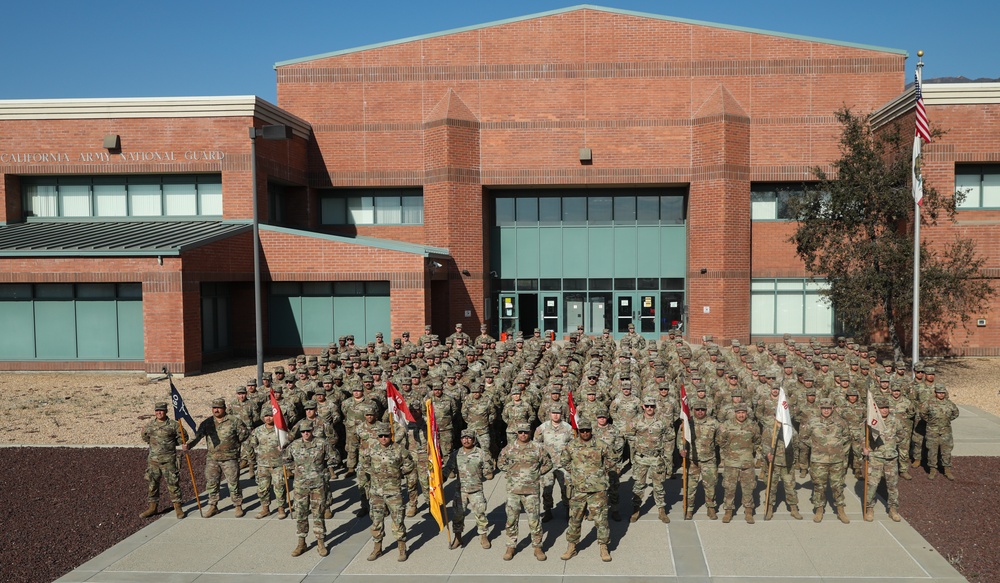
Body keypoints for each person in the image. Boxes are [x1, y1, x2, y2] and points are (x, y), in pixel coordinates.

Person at [182, 398, 250, 518]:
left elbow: (244, 433)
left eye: (218, 408)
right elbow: (198, 436)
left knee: (233, 483)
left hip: (230, 458)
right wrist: (189, 445)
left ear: (224, 408)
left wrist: (233, 444)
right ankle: (213, 505)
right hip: (213, 458)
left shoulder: (234, 421)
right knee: (212, 483)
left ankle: (238, 505)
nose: (216, 410)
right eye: (214, 408)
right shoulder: (208, 423)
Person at [359, 422, 417, 562]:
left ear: (390, 436)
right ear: (377, 437)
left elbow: (409, 466)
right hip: (376, 493)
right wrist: (371, 479)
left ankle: (402, 548)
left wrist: (398, 474)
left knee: (398, 521)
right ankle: (377, 549)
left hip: (394, 492)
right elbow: (364, 465)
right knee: (376, 521)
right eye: (381, 436)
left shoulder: (399, 449)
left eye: (386, 435)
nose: (383, 438)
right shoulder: (371, 449)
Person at [560, 420, 616, 562]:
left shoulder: (601, 445)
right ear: (579, 431)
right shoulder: (571, 445)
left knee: (601, 520)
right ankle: (571, 546)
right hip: (578, 489)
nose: (585, 433)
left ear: (591, 430)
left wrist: (600, 472)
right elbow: (564, 461)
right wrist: (576, 473)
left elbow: (612, 459)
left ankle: (603, 547)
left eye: (587, 430)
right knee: (575, 519)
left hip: (597, 489)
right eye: (582, 430)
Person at [497, 422, 553, 561]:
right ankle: (511, 546)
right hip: (513, 490)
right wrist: (511, 473)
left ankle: (537, 546)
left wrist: (536, 474)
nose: (523, 434)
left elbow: (548, 463)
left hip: (531, 491)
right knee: (511, 519)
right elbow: (500, 463)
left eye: (526, 432)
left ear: (530, 432)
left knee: (534, 520)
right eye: (521, 432)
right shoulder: (509, 448)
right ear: (517, 433)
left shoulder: (537, 448)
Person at [284, 420, 338, 557]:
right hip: (300, 486)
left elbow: (335, 457)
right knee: (301, 514)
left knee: (318, 514)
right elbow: (285, 459)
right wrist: (294, 469)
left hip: (317, 485)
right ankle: (301, 542)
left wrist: (324, 471)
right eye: (303, 431)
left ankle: (320, 543)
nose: (306, 433)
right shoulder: (294, 445)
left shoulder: (322, 443)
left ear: (312, 431)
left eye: (308, 431)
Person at [798, 399, 851, 523]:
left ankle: (840, 509)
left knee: (837, 486)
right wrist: (816, 446)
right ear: (820, 408)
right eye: (823, 408)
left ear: (832, 408)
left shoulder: (840, 422)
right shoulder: (812, 422)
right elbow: (803, 436)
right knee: (819, 486)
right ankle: (819, 509)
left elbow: (847, 437)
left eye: (828, 408)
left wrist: (839, 448)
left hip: (836, 460)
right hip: (819, 460)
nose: (826, 410)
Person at [443, 429, 494, 550]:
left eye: (469, 438)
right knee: (458, 515)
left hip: (476, 489)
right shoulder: (455, 454)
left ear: (474, 439)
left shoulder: (481, 453)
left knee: (480, 514)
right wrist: (440, 479)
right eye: (464, 438)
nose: (466, 440)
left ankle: (483, 536)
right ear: (461, 440)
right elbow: (447, 469)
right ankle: (458, 537)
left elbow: (488, 470)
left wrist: (488, 471)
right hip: (460, 491)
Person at [626, 397, 674, 523]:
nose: (649, 408)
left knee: (659, 486)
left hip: (656, 458)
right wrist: (635, 447)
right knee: (639, 486)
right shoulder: (636, 420)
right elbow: (629, 434)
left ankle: (661, 510)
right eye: (647, 406)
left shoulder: (662, 421)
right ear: (643, 406)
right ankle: (636, 509)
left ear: (655, 407)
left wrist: (666, 454)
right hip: (641, 458)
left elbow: (670, 436)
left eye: (652, 406)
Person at [863, 396, 905, 522]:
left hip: (891, 458)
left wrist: (891, 443)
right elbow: (862, 437)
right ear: (877, 409)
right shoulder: (871, 421)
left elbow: (902, 435)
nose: (884, 410)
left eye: (886, 407)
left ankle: (893, 509)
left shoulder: (895, 421)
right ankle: (869, 507)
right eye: (881, 408)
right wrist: (865, 448)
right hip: (876, 457)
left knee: (892, 485)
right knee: (872, 485)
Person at [717, 403, 761, 523]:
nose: (741, 415)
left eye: (743, 412)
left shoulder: (753, 426)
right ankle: (728, 511)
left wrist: (754, 455)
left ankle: (748, 511)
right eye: (739, 412)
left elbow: (757, 441)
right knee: (729, 488)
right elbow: (720, 441)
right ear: (735, 413)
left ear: (746, 413)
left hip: (747, 462)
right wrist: (729, 452)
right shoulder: (727, 425)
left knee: (748, 488)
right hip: (731, 462)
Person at [139, 402, 184, 519]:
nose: (159, 413)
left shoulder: (174, 425)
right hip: (154, 461)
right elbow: (145, 437)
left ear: (166, 411)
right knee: (152, 484)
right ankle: (152, 507)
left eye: (161, 410)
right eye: (157, 410)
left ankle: (178, 507)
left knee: (173, 484)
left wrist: (170, 444)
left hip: (169, 461)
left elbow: (183, 438)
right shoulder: (150, 425)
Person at [678, 399, 721, 520]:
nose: (700, 412)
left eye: (702, 410)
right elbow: (680, 439)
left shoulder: (713, 423)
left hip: (709, 459)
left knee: (710, 486)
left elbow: (720, 438)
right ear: (693, 410)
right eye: (697, 410)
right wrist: (681, 449)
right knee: (690, 487)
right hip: (693, 460)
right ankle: (689, 509)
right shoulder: (687, 423)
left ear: (706, 410)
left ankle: (711, 508)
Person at [534, 405, 575, 522]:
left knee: (567, 489)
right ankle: (548, 511)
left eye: (558, 413)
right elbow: (536, 443)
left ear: (561, 414)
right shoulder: (542, 428)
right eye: (553, 413)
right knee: (547, 490)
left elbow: (573, 444)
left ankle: (568, 511)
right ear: (550, 414)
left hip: (563, 465)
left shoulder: (568, 428)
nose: (555, 415)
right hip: (548, 465)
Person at [248, 405, 287, 520]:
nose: (268, 418)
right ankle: (265, 508)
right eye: (266, 416)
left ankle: (281, 508)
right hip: (262, 464)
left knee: (279, 487)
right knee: (262, 488)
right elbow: (252, 444)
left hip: (277, 464)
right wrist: (257, 453)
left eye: (270, 415)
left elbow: (288, 444)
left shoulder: (280, 430)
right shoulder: (258, 431)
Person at [923, 385, 960, 480]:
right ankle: (932, 470)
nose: (941, 394)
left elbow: (956, 413)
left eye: (943, 393)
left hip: (945, 431)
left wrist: (947, 420)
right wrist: (931, 421)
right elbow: (923, 413)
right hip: (932, 431)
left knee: (946, 451)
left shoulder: (949, 404)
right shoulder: (929, 403)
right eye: (939, 392)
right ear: (935, 393)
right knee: (932, 451)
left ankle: (947, 470)